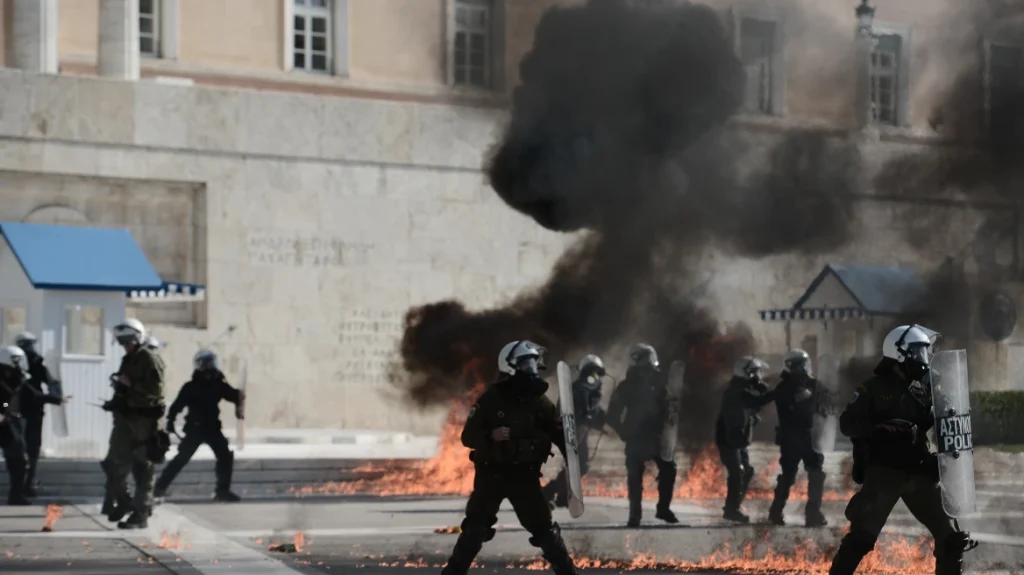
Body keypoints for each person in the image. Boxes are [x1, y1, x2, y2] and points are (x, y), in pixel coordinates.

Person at [828, 325, 978, 575]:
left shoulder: (921, 389)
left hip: (919, 471)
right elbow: (847, 423)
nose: (923, 359)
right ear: (899, 355)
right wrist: (878, 427)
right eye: (918, 353)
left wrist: (949, 407)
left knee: (951, 538)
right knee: (862, 538)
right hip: (885, 473)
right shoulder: (872, 389)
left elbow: (936, 420)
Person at [440, 340, 577, 575]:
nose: (531, 368)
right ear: (510, 366)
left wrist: (571, 451)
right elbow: (468, 437)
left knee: (546, 531)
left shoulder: (539, 402)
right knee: (475, 530)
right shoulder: (491, 399)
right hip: (491, 475)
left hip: (525, 477)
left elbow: (557, 432)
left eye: (533, 363)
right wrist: (491, 435)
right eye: (525, 363)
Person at [101, 318, 165, 529]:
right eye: (122, 341)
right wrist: (115, 399)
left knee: (144, 468)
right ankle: (126, 502)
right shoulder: (128, 359)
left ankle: (140, 513)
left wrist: (132, 385)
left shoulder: (150, 358)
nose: (125, 345)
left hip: (144, 421)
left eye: (128, 340)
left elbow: (155, 392)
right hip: (125, 420)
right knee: (112, 465)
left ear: (138, 338)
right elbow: (124, 387)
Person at [154, 349, 243, 502]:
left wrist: (240, 398)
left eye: (212, 363)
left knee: (225, 457)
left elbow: (234, 396)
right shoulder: (191, 387)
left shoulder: (218, 384)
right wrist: (170, 422)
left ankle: (222, 491)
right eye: (208, 364)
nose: (210, 367)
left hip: (213, 429)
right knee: (181, 459)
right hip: (195, 429)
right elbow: (177, 406)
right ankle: (158, 488)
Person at [606, 343, 678, 527]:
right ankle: (635, 515)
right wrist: (624, 432)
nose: (647, 367)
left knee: (668, 469)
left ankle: (661, 509)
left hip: (655, 437)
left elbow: (670, 411)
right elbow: (612, 414)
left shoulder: (660, 386)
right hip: (637, 437)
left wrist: (669, 421)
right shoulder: (626, 386)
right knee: (635, 477)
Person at [767, 349, 828, 527]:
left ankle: (812, 514)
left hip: (809, 436)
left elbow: (825, 405)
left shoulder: (813, 384)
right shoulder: (784, 387)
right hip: (792, 438)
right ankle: (776, 512)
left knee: (815, 474)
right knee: (788, 476)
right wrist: (800, 399)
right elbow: (786, 408)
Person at [542, 354, 607, 509]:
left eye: (597, 372)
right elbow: (582, 410)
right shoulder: (580, 388)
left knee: (578, 465)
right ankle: (548, 491)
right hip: (572, 429)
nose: (594, 376)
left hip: (578, 429)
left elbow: (595, 412)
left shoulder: (589, 390)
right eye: (591, 372)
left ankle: (562, 496)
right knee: (578, 464)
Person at [715, 356, 774, 523]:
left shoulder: (741, 386)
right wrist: (776, 393)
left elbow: (748, 407)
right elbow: (755, 400)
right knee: (737, 472)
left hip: (738, 439)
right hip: (729, 439)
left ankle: (733, 507)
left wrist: (751, 417)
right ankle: (732, 510)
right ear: (746, 372)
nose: (757, 375)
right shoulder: (736, 390)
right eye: (754, 372)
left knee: (746, 471)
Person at [13, 332, 71, 497]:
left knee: (31, 450)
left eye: (30, 344)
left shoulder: (37, 363)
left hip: (32, 412)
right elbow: (10, 394)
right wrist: (55, 398)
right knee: (21, 450)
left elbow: (49, 382)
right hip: (18, 412)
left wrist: (56, 395)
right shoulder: (13, 365)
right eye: (26, 345)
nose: (29, 348)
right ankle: (21, 486)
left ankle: (27, 484)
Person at [0, 346, 31, 505]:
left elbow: (7, 398)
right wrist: (3, 409)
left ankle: (16, 494)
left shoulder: (13, 378)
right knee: (17, 458)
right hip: (5, 422)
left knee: (18, 460)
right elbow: (4, 398)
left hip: (8, 423)